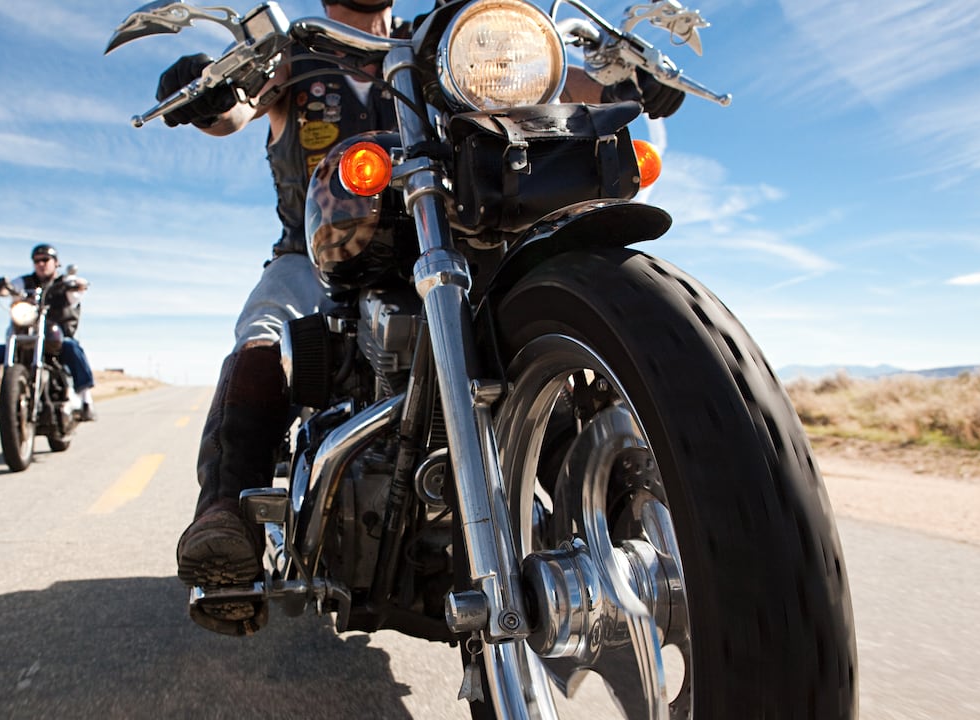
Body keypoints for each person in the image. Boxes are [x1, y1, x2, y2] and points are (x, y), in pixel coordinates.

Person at [156, 0, 686, 635]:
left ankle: (648, 517)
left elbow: (554, 75)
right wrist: (204, 88)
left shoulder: (446, 41)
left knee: (527, 317)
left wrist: (629, 86)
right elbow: (236, 109)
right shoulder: (294, 55)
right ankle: (224, 513)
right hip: (314, 252)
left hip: (438, 238)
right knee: (268, 327)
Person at [0, 243, 98, 429]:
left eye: (45, 260)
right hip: (25, 339)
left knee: (72, 346)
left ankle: (86, 401)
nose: (41, 264)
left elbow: (77, 289)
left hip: (56, 341)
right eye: (37, 261)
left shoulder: (64, 284)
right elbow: (9, 288)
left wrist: (77, 284)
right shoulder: (25, 282)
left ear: (56, 262)